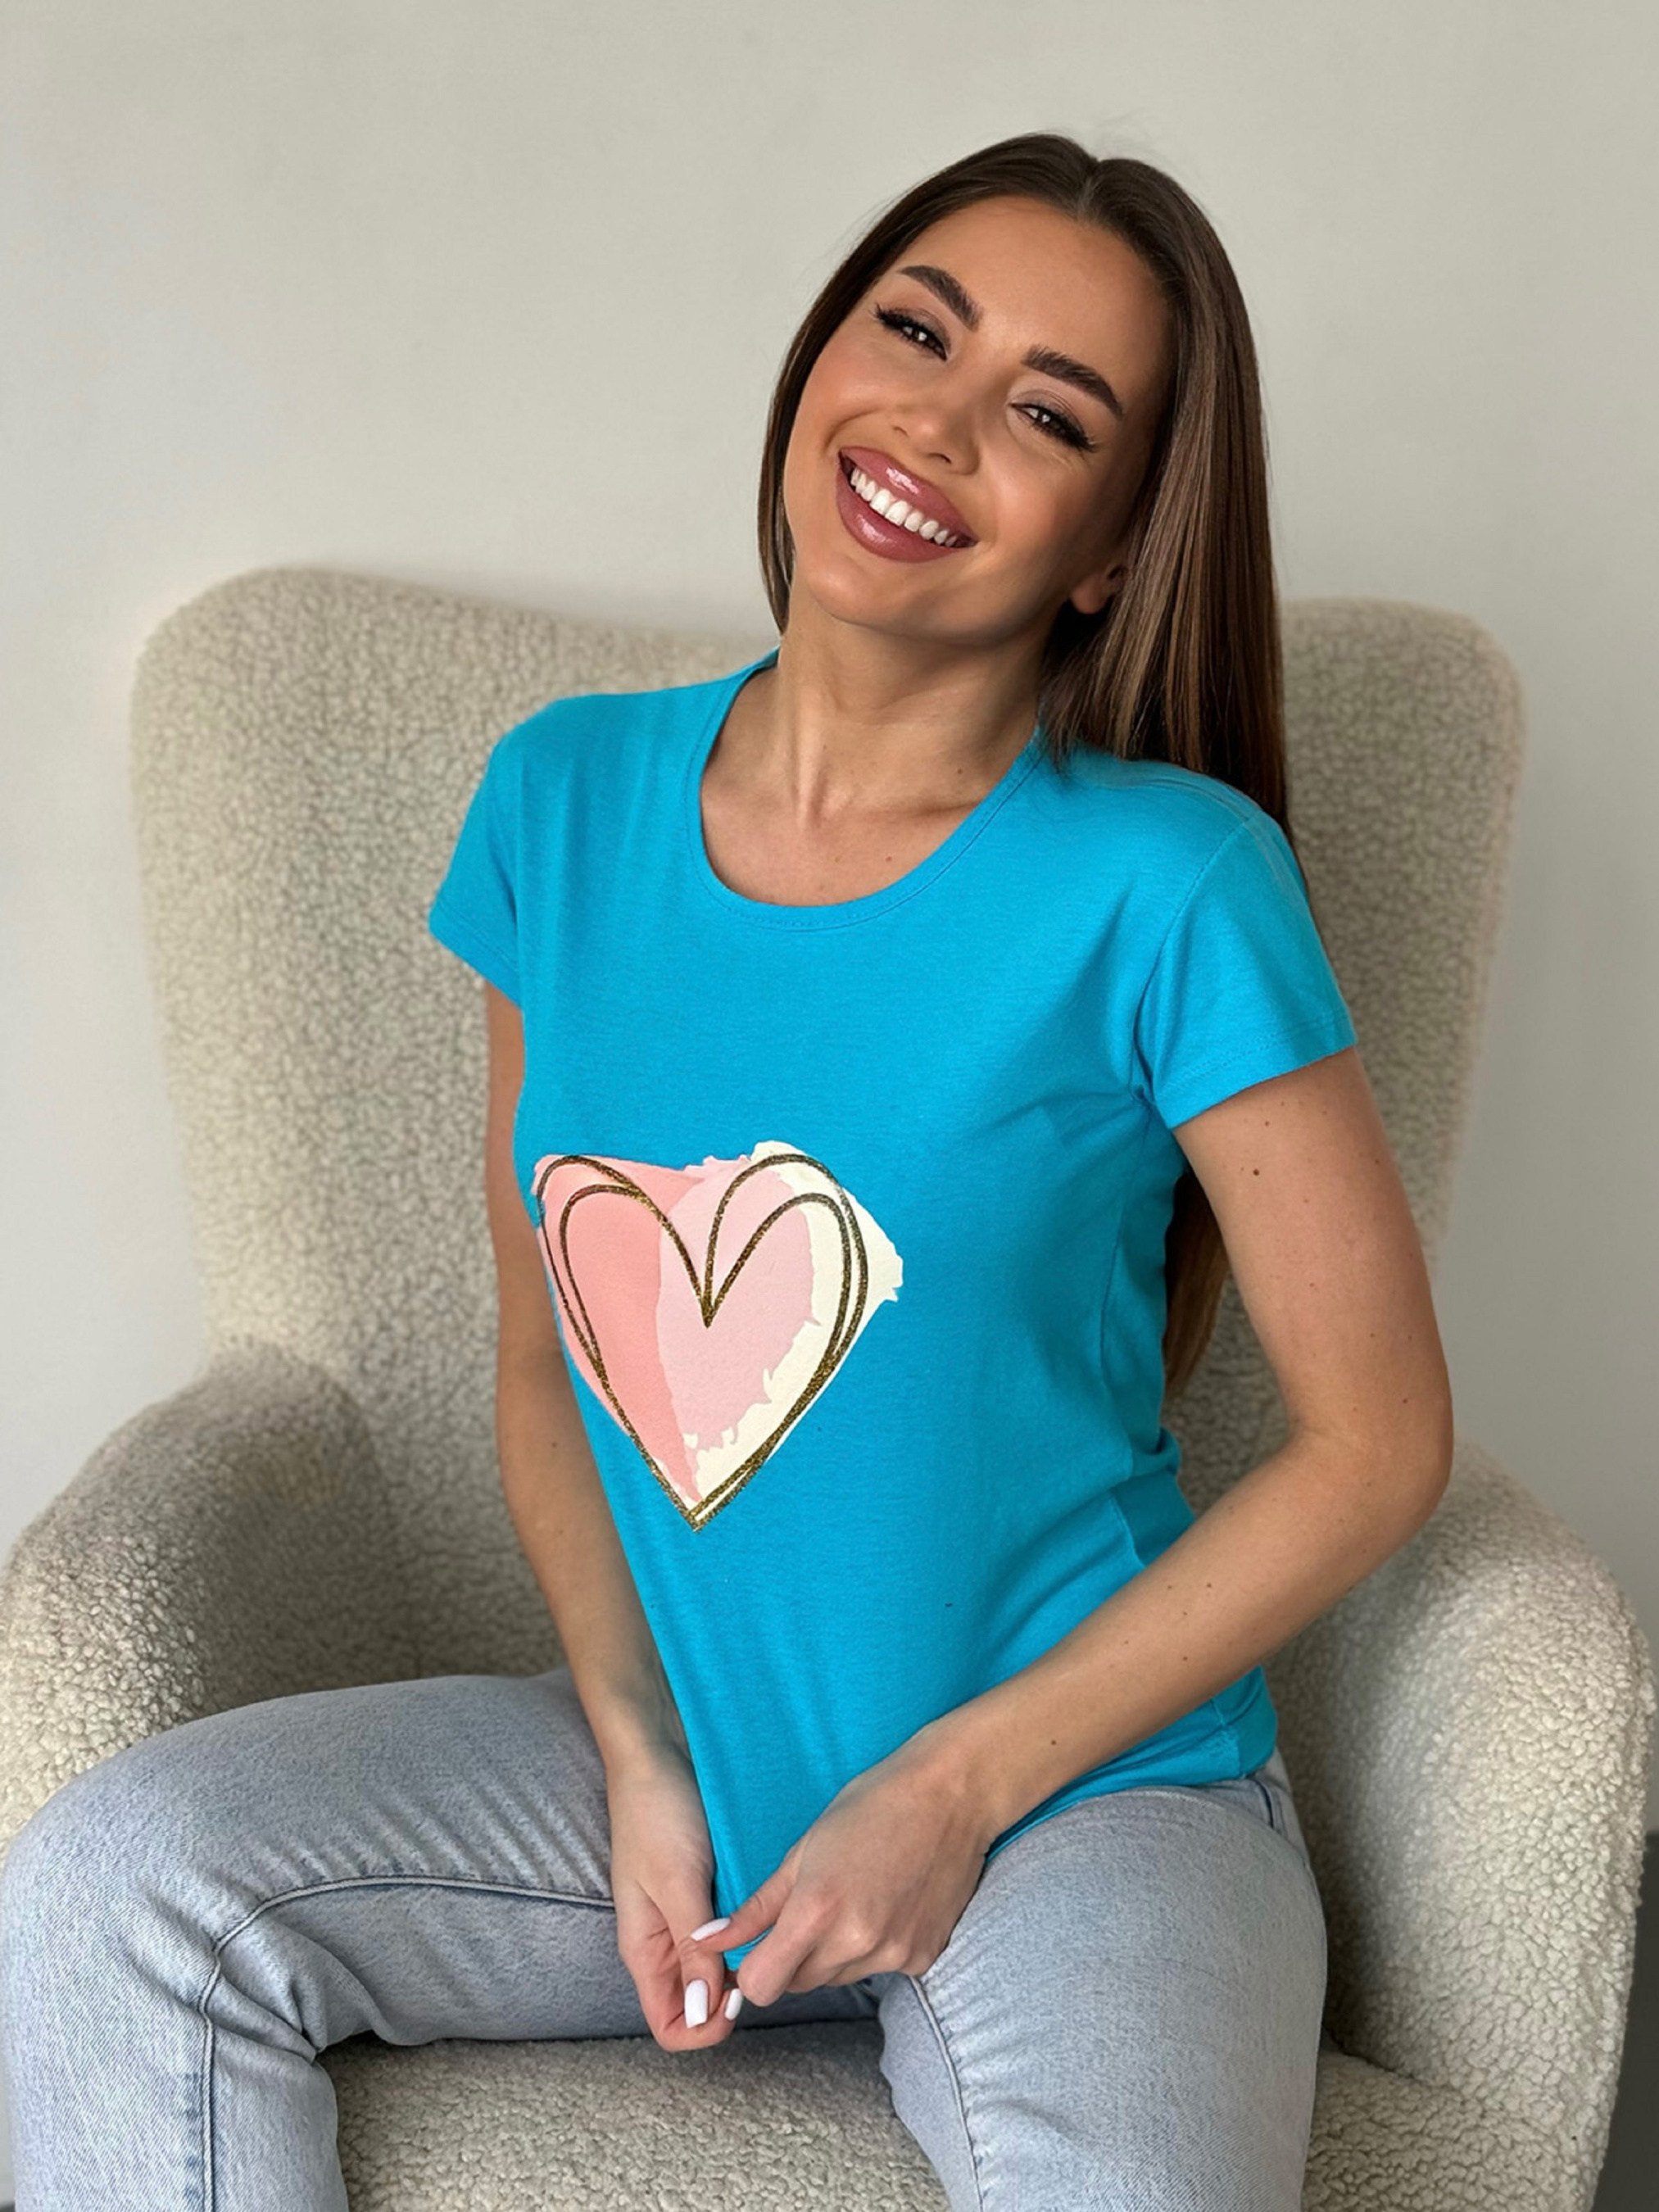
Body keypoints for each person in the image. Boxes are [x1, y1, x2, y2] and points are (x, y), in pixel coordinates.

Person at [0, 131, 1453, 2210]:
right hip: (687, 1761)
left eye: (1047, 415)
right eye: (914, 331)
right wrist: (636, 1753)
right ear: (819, 357)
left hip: (1083, 1799)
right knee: (115, 1883)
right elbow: (542, 1364)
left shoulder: (1173, 882)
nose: (934, 423)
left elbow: (1374, 1442)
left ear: (1113, 549)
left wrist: (950, 1790)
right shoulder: (561, 804)